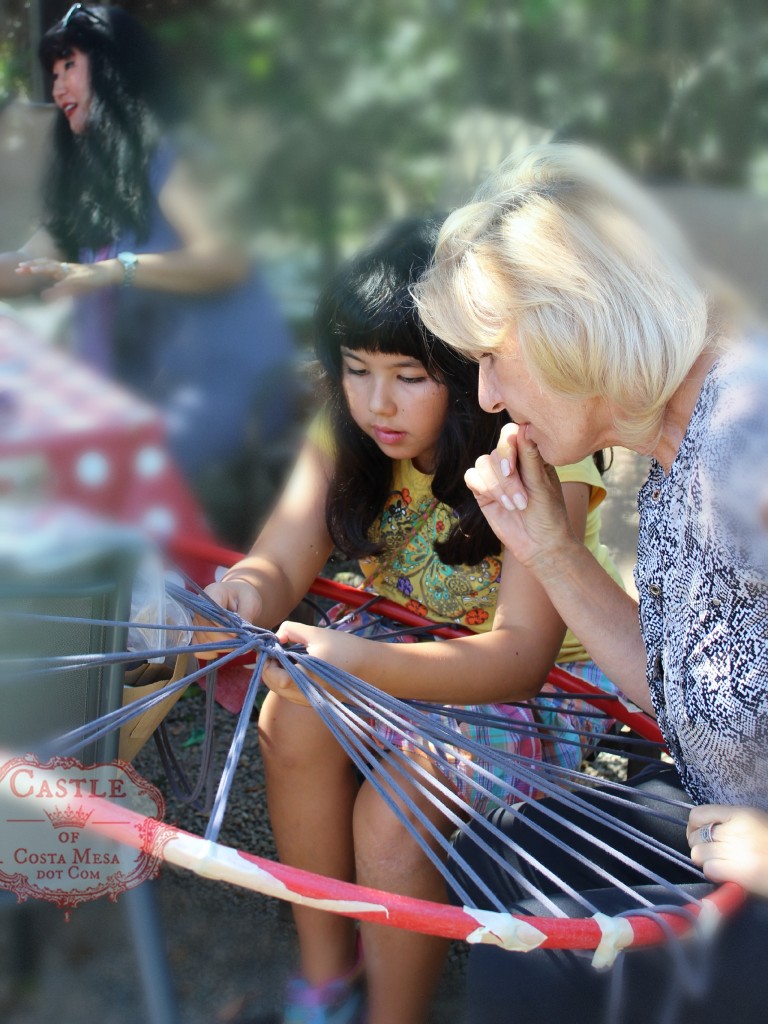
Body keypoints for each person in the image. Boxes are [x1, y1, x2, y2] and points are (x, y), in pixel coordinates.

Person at [197, 216, 623, 1024]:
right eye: (355, 370)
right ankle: (327, 978)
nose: (377, 403)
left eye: (410, 376)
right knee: (291, 715)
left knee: (394, 818)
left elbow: (520, 657)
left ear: (468, 374)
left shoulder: (534, 445)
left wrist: (353, 663)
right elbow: (280, 560)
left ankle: (397, 1014)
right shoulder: (349, 429)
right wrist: (240, 599)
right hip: (401, 644)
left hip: (538, 686)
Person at [413, 141, 768, 1022]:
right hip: (724, 828)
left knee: (543, 959)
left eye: (493, 355)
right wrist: (550, 550)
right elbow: (694, 701)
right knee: (525, 854)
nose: (487, 395)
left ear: (582, 318)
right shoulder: (678, 441)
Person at [0, 4, 297, 543]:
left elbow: (224, 260)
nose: (58, 82)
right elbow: (30, 262)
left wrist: (116, 271)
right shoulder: (90, 181)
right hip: (146, 389)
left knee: (62, 475)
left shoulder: (169, 155)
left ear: (114, 67)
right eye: (54, 69)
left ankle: (161, 617)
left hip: (216, 385)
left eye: (70, 63)